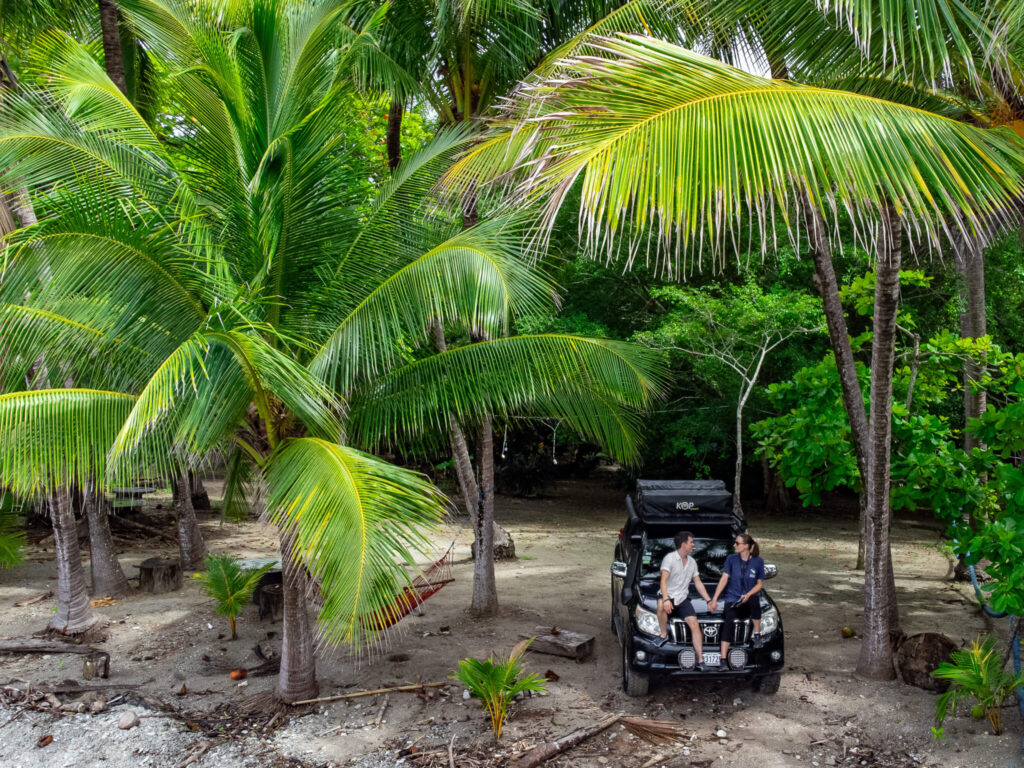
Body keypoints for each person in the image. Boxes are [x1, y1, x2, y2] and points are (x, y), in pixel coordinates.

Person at [657, 530, 714, 670]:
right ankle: (663, 634)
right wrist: (665, 599)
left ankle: (700, 660)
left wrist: (708, 600)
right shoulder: (669, 559)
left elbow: (698, 583)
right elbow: (663, 580)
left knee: (694, 624)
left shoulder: (692, 562)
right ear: (683, 544)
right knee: (660, 606)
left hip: (682, 598)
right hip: (668, 595)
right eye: (691, 542)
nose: (694, 545)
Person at [709, 532, 766, 657]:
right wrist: (714, 599)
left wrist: (747, 594)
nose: (734, 545)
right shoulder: (731, 559)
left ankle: (757, 635)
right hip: (733, 599)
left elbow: (759, 584)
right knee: (729, 622)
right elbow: (724, 579)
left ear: (745, 546)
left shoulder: (758, 561)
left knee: (754, 600)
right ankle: (723, 658)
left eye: (737, 543)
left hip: (748, 600)